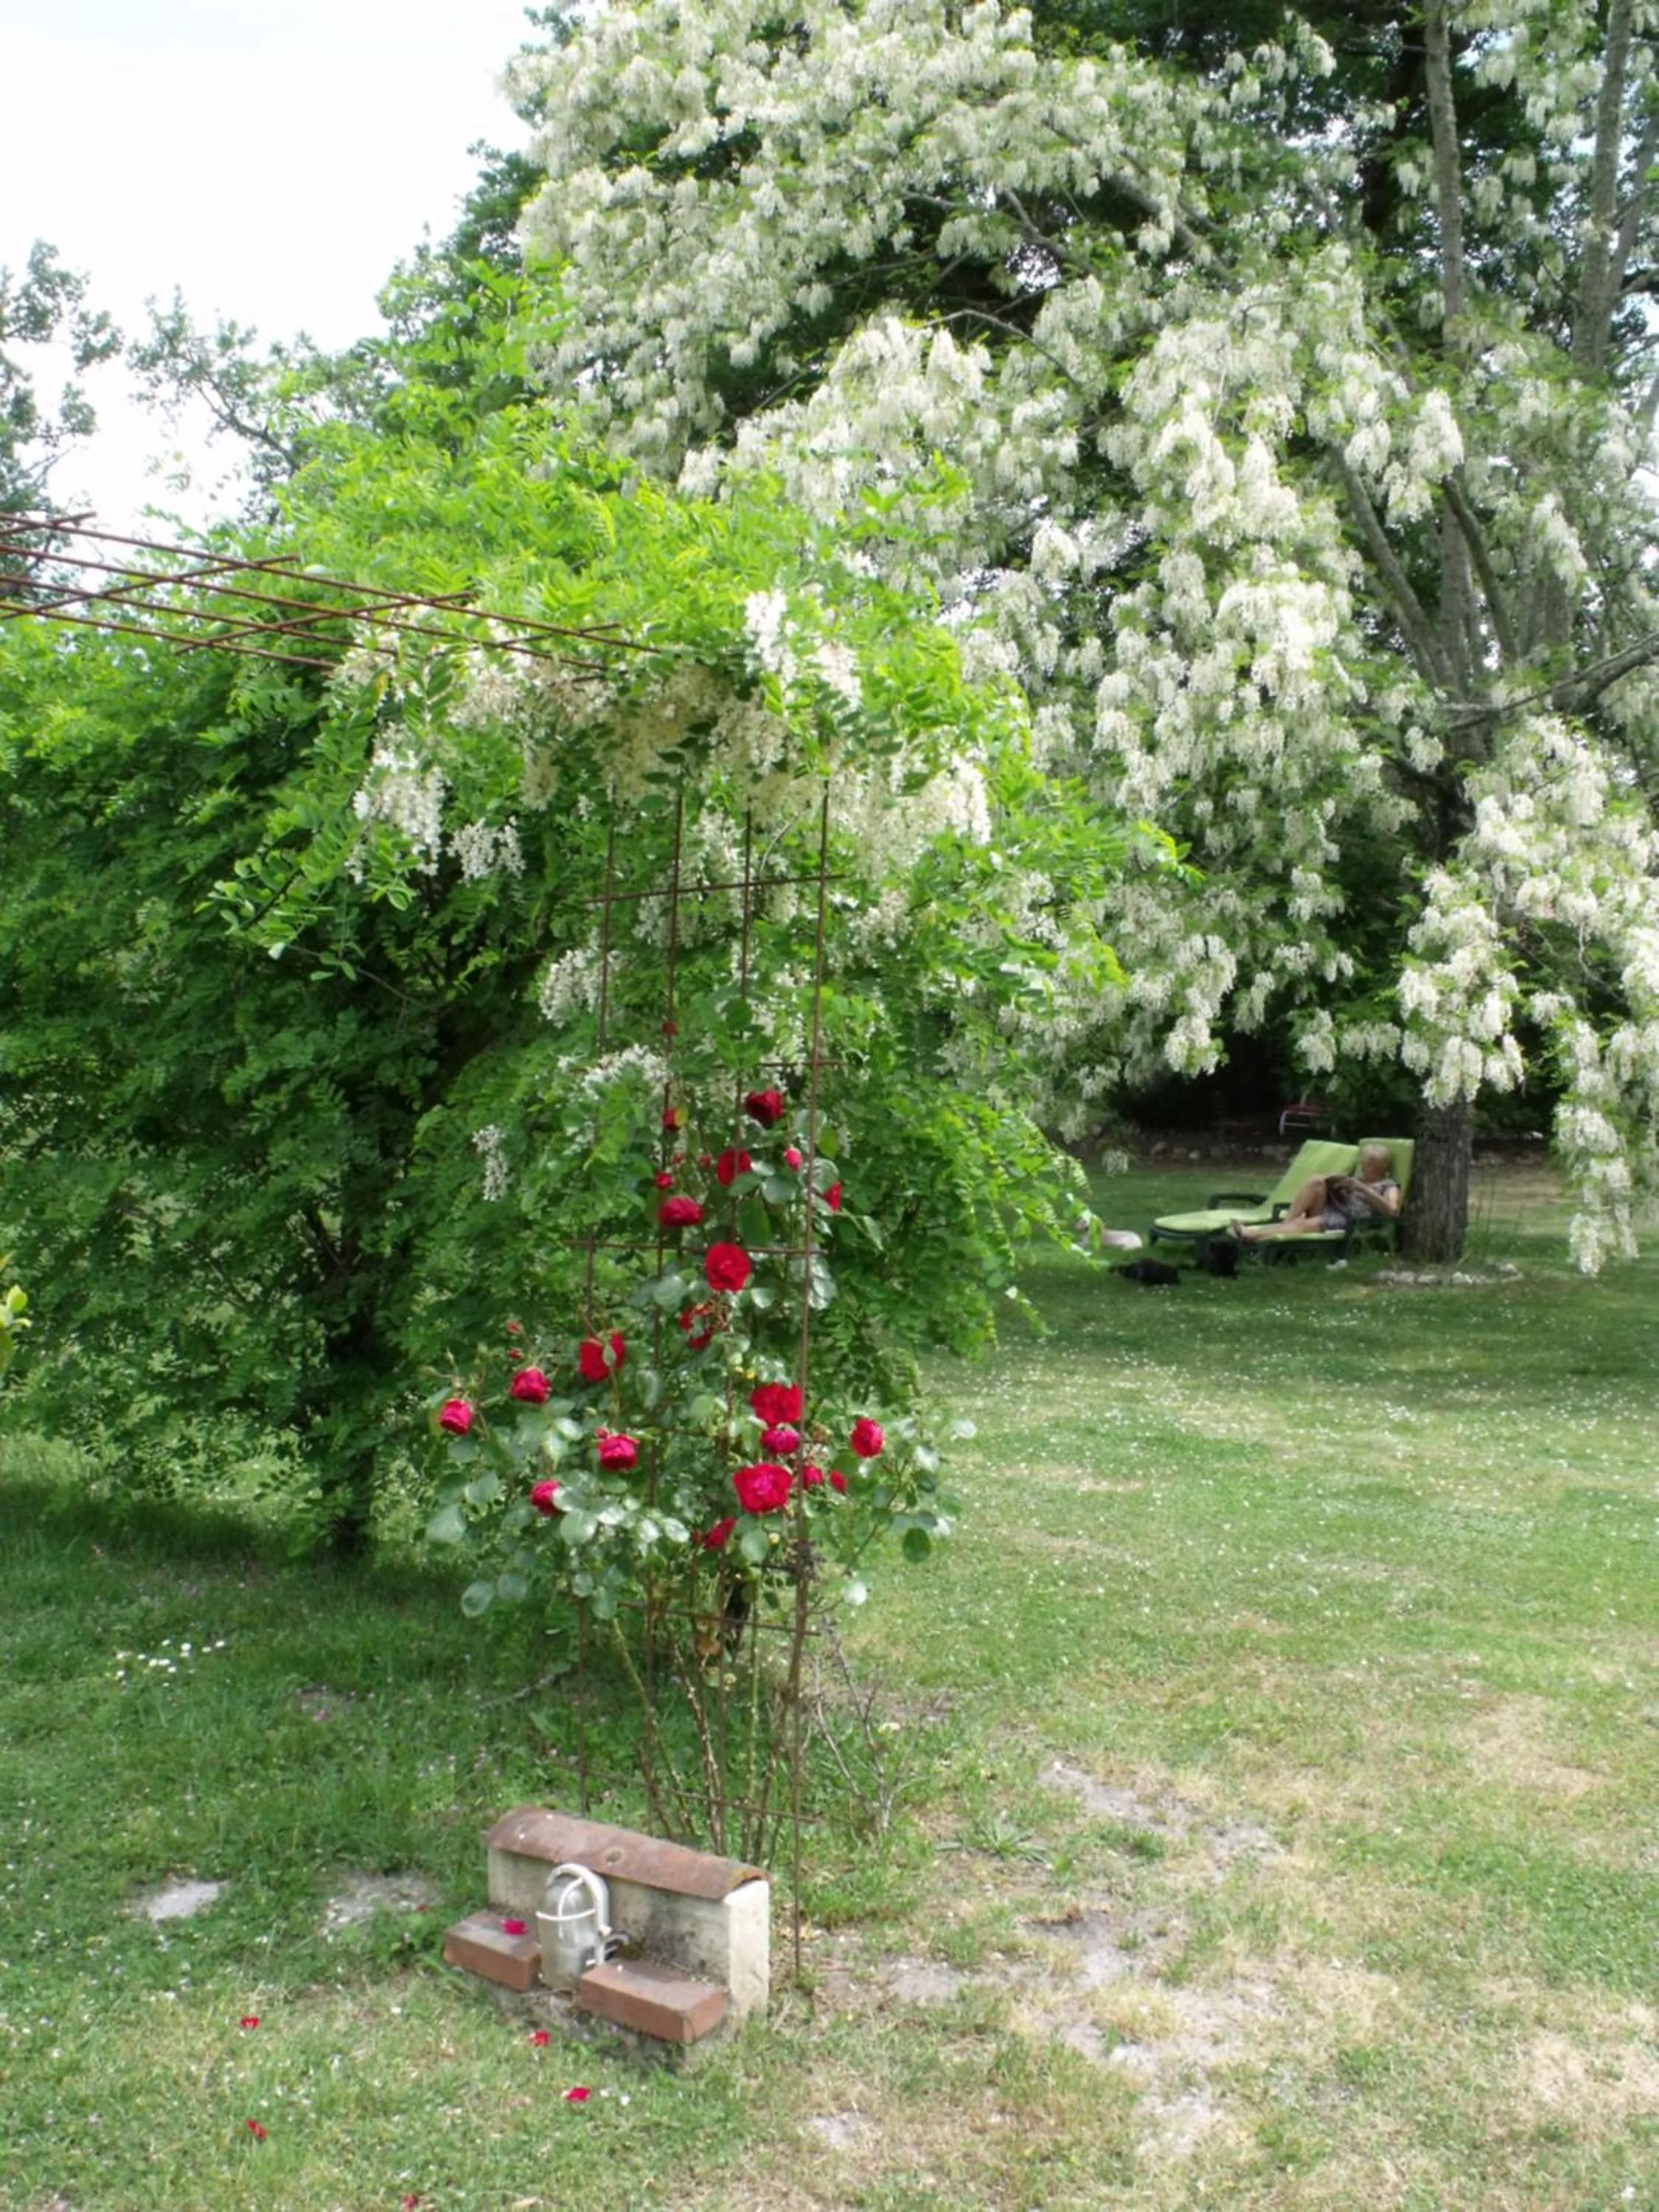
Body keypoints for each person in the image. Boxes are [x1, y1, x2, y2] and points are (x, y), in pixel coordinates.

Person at [1231, 1144, 1401, 1243]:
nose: (1363, 1168)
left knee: (1302, 1225)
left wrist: (1362, 1188)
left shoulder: (1388, 1185)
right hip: (1335, 1208)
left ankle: (1250, 1235)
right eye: (1363, 1164)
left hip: (1348, 1220)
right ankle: (1287, 1223)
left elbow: (1392, 1211)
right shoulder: (1359, 1179)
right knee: (1317, 1181)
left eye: (1368, 1165)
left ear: (1381, 1167)